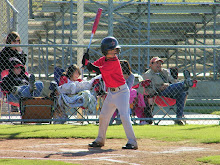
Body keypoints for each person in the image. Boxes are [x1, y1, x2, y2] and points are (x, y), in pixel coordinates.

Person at [82, 36, 138, 149]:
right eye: (111, 50)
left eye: (115, 49)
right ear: (105, 51)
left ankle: (132, 142)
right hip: (111, 93)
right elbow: (93, 67)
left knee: (124, 116)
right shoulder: (104, 60)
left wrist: (88, 64)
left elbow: (97, 70)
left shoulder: (114, 62)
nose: (114, 52)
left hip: (122, 92)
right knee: (103, 116)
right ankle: (100, 140)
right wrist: (86, 62)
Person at [142, 56, 193, 125]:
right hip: (159, 94)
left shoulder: (165, 71)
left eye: (160, 63)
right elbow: (148, 89)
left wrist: (168, 84)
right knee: (183, 90)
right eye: (157, 63)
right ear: (151, 65)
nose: (159, 65)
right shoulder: (147, 75)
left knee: (182, 93)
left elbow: (173, 81)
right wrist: (159, 88)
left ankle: (179, 118)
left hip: (171, 90)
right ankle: (185, 84)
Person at [110, 60, 135, 125]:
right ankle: (111, 118)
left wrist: (123, 80)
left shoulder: (131, 76)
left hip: (126, 93)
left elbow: (128, 88)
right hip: (115, 92)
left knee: (123, 98)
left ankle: (120, 117)